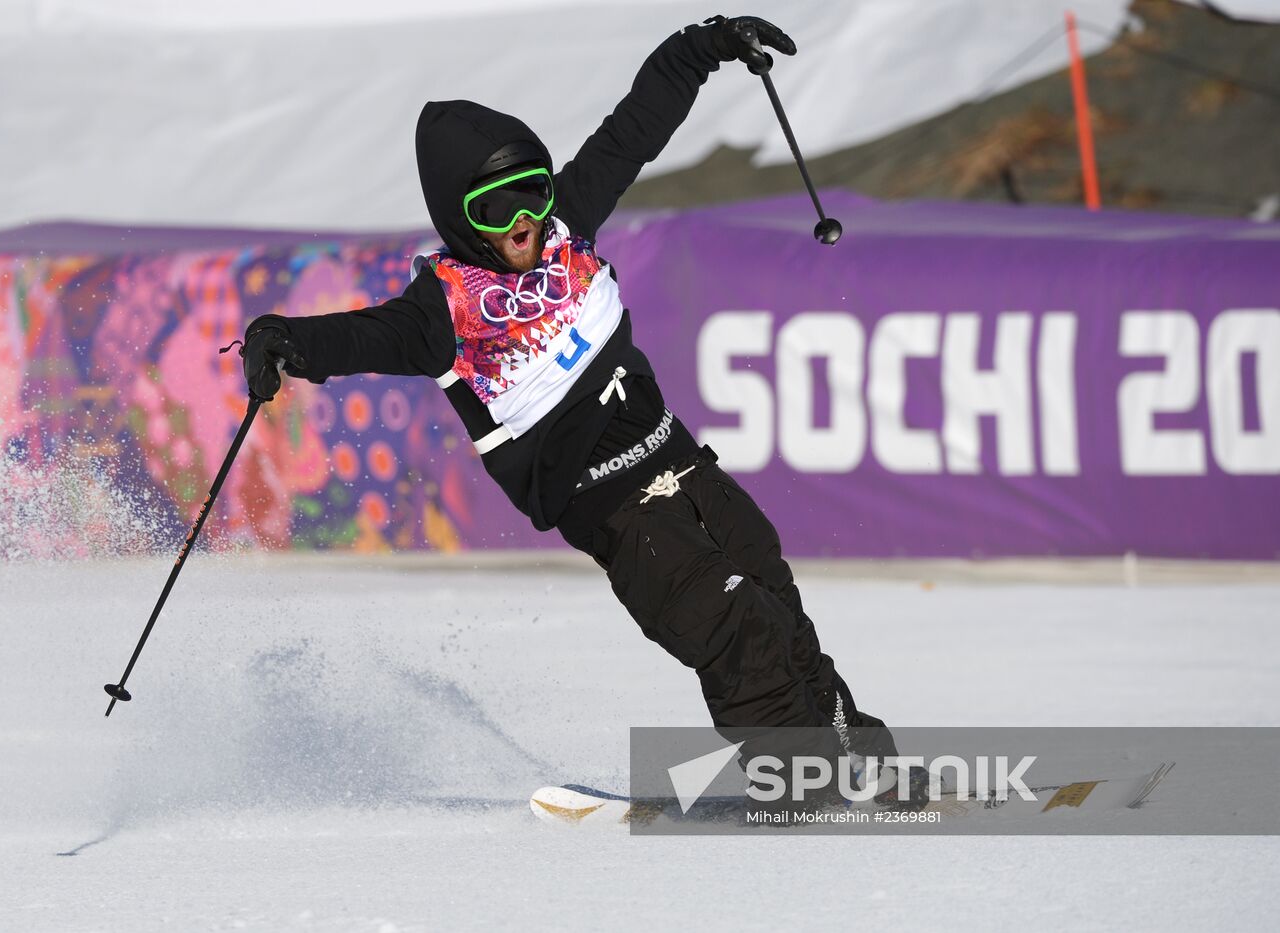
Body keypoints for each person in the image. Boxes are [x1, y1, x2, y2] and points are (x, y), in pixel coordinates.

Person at [239, 15, 899, 770]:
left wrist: (703, 47)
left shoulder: (566, 231)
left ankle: (854, 752)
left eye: (532, 194)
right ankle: (796, 777)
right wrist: (281, 339)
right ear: (462, 218)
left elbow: (633, 129)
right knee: (731, 623)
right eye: (497, 208)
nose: (523, 223)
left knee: (770, 586)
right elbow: (357, 336)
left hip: (682, 463)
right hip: (616, 511)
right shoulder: (442, 312)